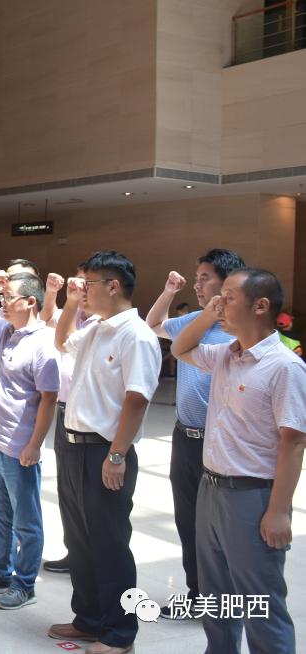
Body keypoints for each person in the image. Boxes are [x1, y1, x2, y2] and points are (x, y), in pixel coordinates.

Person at [171, 267, 305, 653]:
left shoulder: (284, 366)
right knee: (217, 597)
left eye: (228, 297)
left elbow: (294, 442)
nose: (219, 303)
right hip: (211, 488)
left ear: (260, 306)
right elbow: (180, 348)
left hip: (252, 495)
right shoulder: (226, 355)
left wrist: (278, 511)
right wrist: (209, 314)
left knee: (259, 602)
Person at [50, 250, 160, 654]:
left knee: (109, 544)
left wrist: (117, 455)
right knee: (79, 539)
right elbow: (61, 341)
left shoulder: (137, 335)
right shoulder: (97, 328)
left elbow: (137, 398)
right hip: (74, 446)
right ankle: (89, 618)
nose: (83, 290)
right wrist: (71, 302)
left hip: (105, 451)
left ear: (113, 286)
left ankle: (119, 633)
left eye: (88, 284)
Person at [144, 248, 245, 619]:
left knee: (220, 526)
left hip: (219, 443)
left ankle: (224, 597)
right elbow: (154, 325)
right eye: (197, 277)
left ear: (227, 284)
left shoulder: (237, 331)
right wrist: (169, 291)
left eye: (205, 278)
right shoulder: (192, 322)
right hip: (184, 437)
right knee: (187, 521)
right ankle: (197, 593)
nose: (198, 285)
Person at [0, 271, 59, 610]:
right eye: (2, 298)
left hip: (19, 448)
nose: (3, 303)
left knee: (26, 520)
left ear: (31, 302)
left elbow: (49, 399)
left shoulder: (44, 343)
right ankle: (0, 570)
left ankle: (25, 583)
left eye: (9, 298)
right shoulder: (5, 329)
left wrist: (34, 444)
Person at [39, 268, 96, 575]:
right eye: (77, 281)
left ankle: (91, 557)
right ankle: (75, 552)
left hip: (89, 413)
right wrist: (52, 292)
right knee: (68, 488)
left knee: (89, 492)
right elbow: (46, 317)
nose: (79, 287)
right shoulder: (68, 313)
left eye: (86, 282)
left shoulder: (101, 323)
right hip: (64, 409)